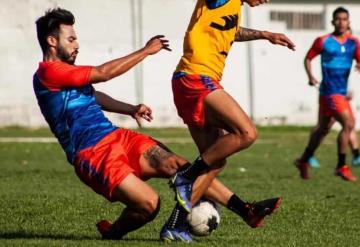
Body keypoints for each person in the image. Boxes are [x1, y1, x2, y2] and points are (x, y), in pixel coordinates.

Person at [34, 8, 283, 242]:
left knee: (178, 166)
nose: (77, 45)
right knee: (149, 205)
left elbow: (93, 95)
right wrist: (145, 51)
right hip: (92, 154)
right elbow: (104, 72)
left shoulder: (67, 72)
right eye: (71, 39)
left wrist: (129, 108)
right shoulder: (48, 73)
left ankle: (246, 210)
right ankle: (113, 233)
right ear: (52, 41)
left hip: (116, 137)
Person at [160, 0, 296, 242]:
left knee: (215, 162)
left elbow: (232, 30)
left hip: (191, 81)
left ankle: (176, 224)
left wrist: (265, 34)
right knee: (246, 133)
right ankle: (186, 176)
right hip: (196, 78)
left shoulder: (233, 6)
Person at [295, 7, 360, 181]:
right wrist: (310, 76)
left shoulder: (354, 43)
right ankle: (341, 166)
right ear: (332, 21)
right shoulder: (323, 41)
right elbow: (308, 58)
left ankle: (304, 160)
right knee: (349, 123)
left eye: (344, 19)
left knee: (323, 129)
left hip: (340, 92)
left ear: (348, 22)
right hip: (330, 93)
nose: (341, 22)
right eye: (338, 19)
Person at [308, 91, 360, 168]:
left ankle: (356, 156)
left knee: (349, 124)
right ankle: (308, 156)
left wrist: (349, 89)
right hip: (331, 93)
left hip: (341, 93)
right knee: (325, 126)